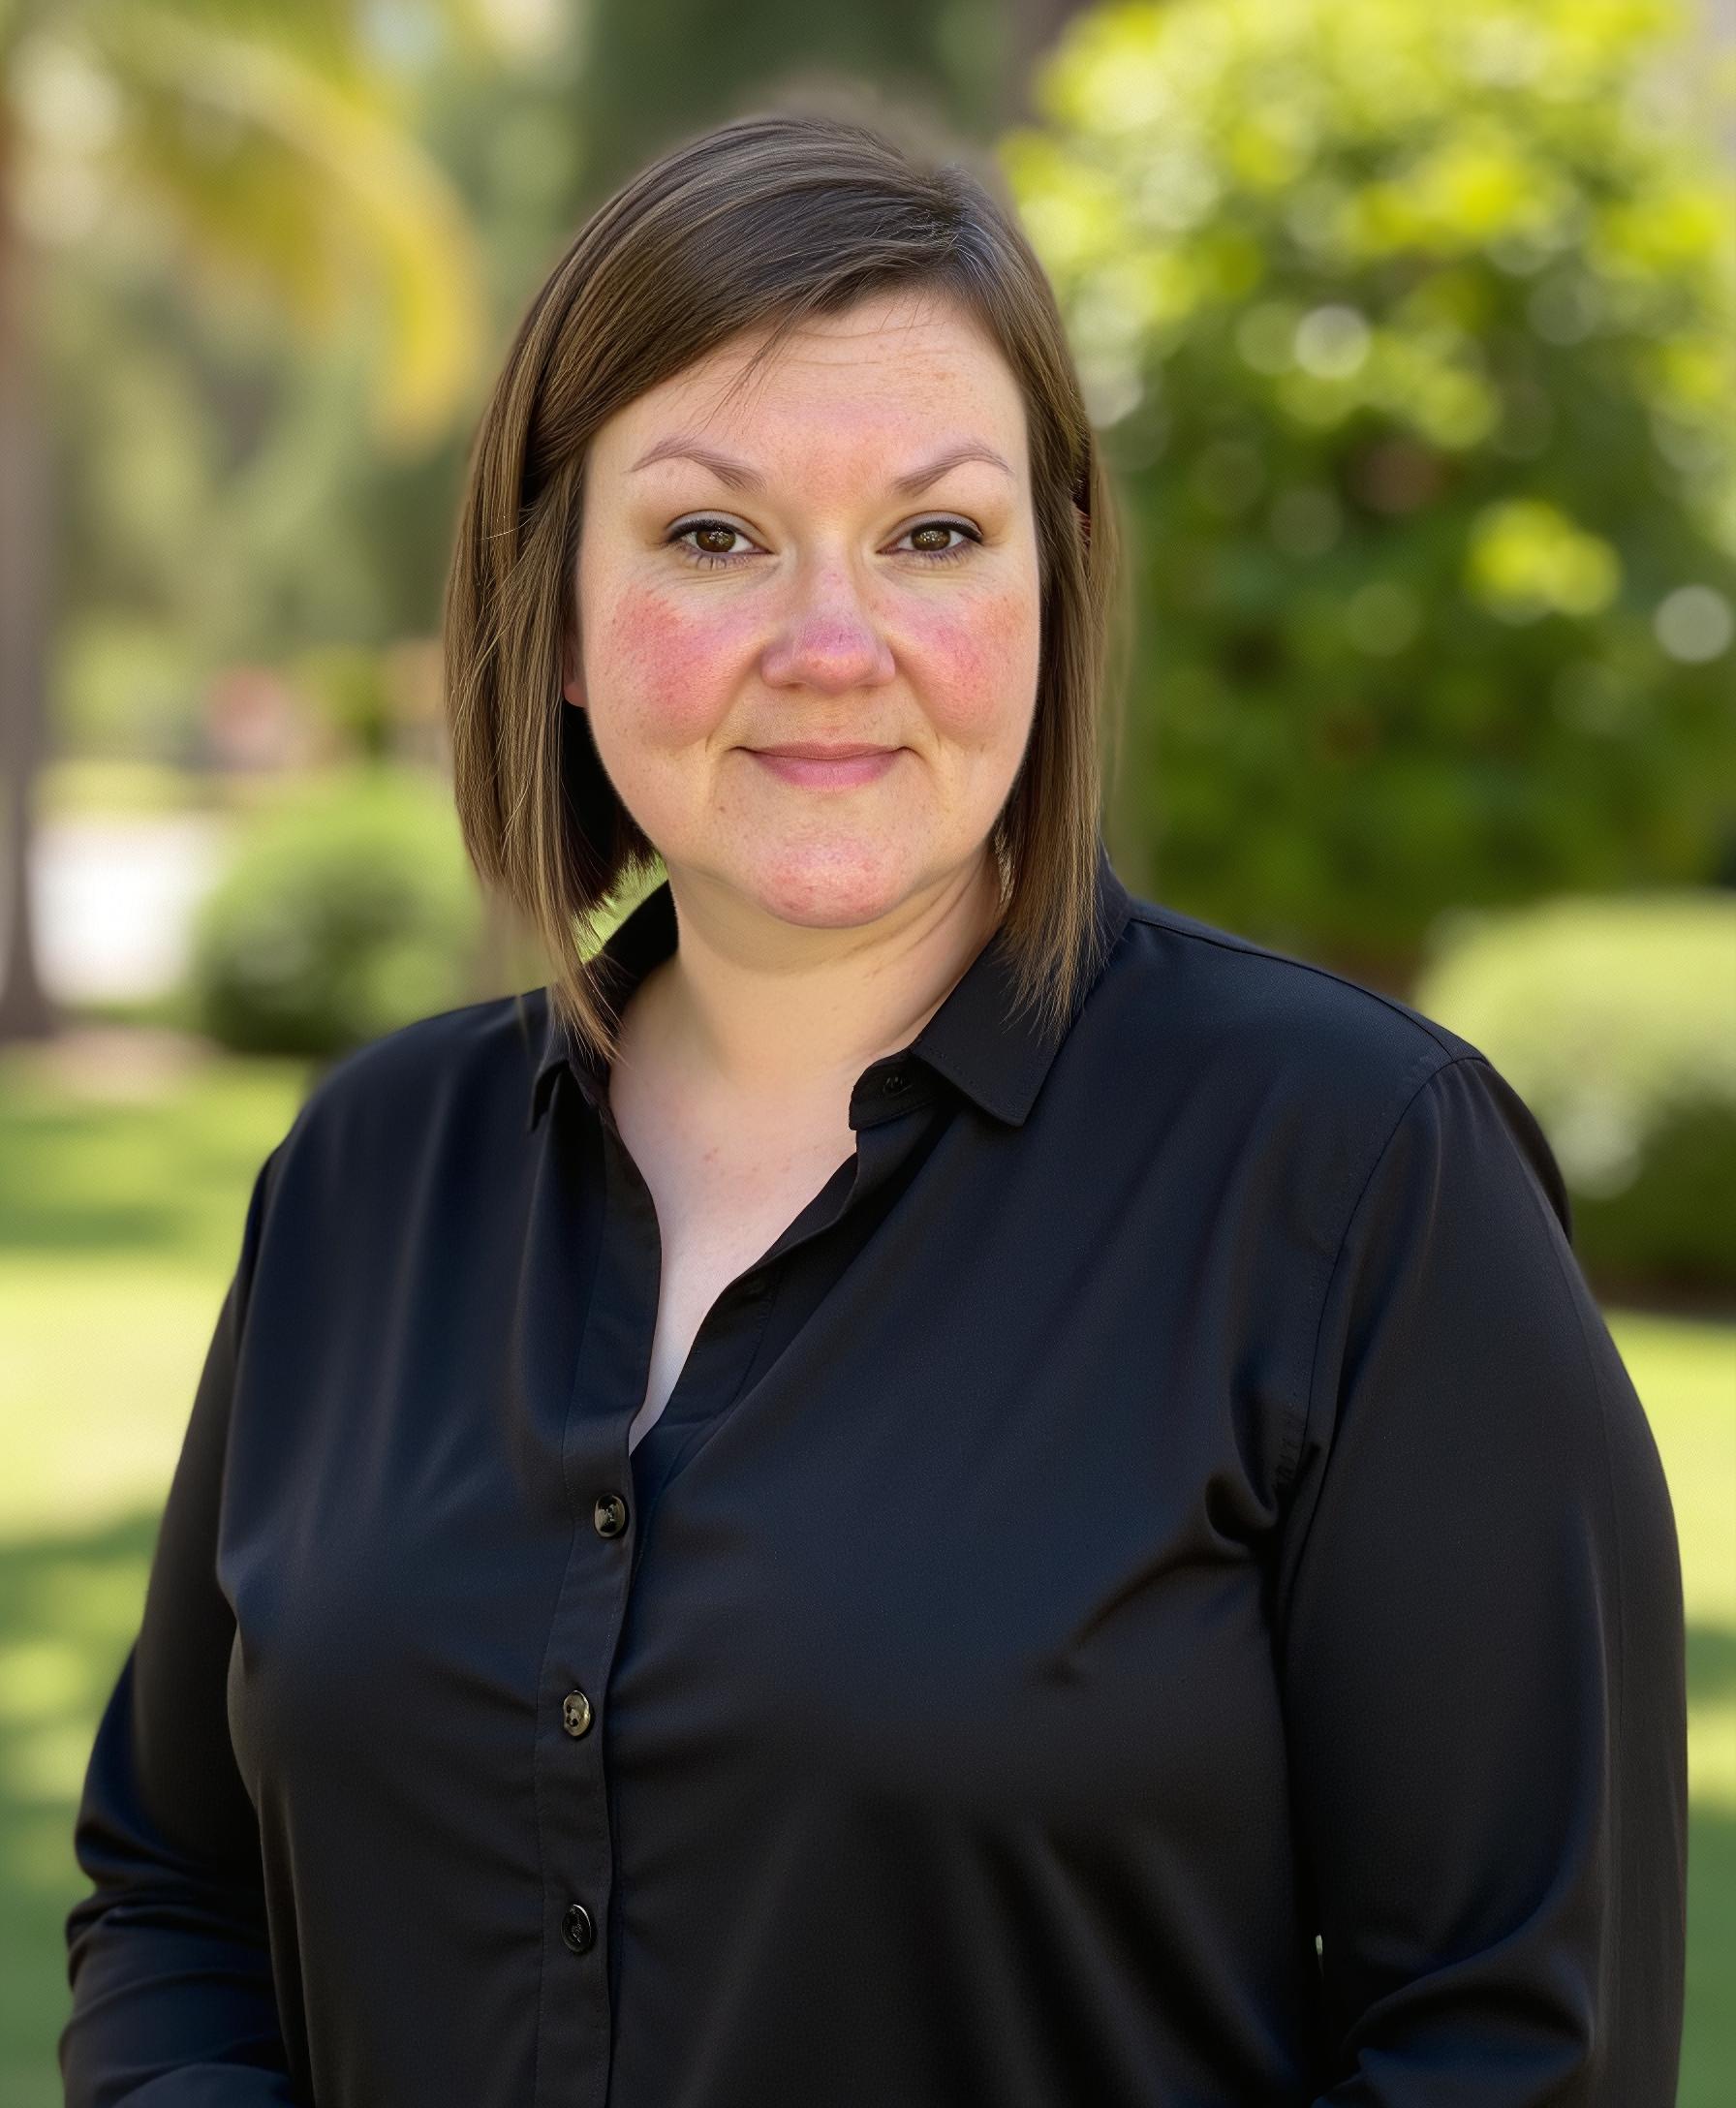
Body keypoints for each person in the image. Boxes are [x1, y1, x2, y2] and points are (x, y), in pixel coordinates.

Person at [59, 110, 1687, 2108]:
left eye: (931, 533)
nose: (830, 648)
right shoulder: (362, 1175)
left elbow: (1519, 2043)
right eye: (710, 534)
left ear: (1051, 586)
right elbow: (172, 1891)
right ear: (553, 611)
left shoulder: (1359, 1181)